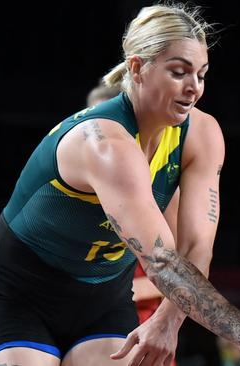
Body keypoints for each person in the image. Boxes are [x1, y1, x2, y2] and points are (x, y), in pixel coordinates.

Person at [0, 3, 240, 366]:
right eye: (179, 72)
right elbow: (161, 262)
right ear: (137, 67)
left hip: (102, 306)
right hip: (19, 301)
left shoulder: (202, 134)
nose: (193, 88)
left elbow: (194, 250)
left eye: (202, 75)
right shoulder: (105, 144)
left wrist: (166, 321)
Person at [86, 82, 169, 328]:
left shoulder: (160, 185)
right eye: (91, 120)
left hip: (142, 328)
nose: (97, 131)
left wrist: (101, 289)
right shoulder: (77, 192)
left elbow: (183, 274)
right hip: (90, 327)